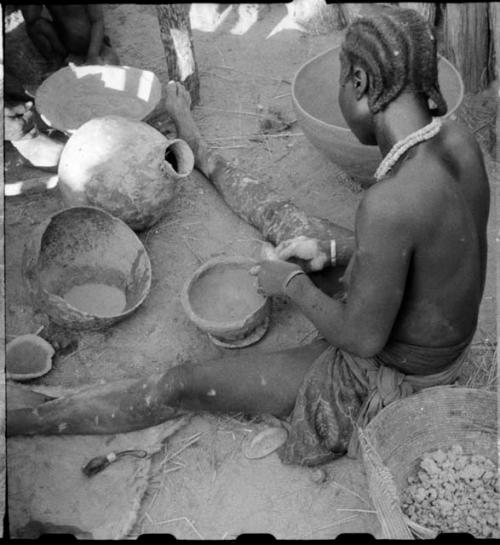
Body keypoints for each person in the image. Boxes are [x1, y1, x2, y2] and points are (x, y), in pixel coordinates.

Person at [8, 7, 490, 466]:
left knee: (181, 384)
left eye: (343, 80)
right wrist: (334, 250)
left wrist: (290, 285)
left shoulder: (390, 203)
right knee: (297, 228)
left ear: (360, 82)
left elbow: (362, 339)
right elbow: (435, 253)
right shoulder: (458, 143)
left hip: (397, 379)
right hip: (439, 348)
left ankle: (20, 422)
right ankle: (199, 147)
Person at [21, 5, 119, 71]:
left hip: (92, 47)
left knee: (109, 73)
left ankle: (90, 57)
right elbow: (30, 17)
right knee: (35, 26)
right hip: (65, 47)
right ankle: (55, 61)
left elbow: (98, 21)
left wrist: (92, 55)